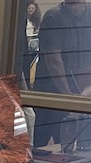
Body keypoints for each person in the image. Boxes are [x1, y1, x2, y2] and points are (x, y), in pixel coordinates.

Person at [33, 0, 91, 149]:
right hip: (51, 91)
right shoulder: (54, 17)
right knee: (42, 144)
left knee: (78, 145)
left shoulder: (89, 14)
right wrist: (67, 96)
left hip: (80, 88)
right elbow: (54, 61)